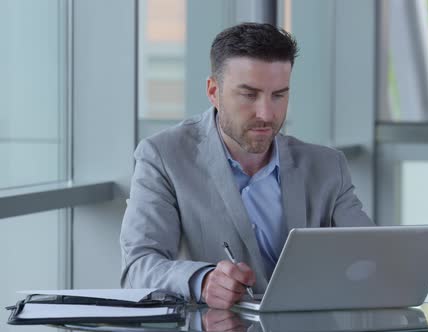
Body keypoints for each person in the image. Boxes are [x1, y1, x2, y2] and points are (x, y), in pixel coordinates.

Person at [120, 22, 373, 310]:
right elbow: (138, 268)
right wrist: (201, 281)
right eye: (249, 95)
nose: (266, 113)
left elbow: (371, 256)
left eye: (279, 95)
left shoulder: (328, 166)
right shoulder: (163, 156)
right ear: (214, 91)